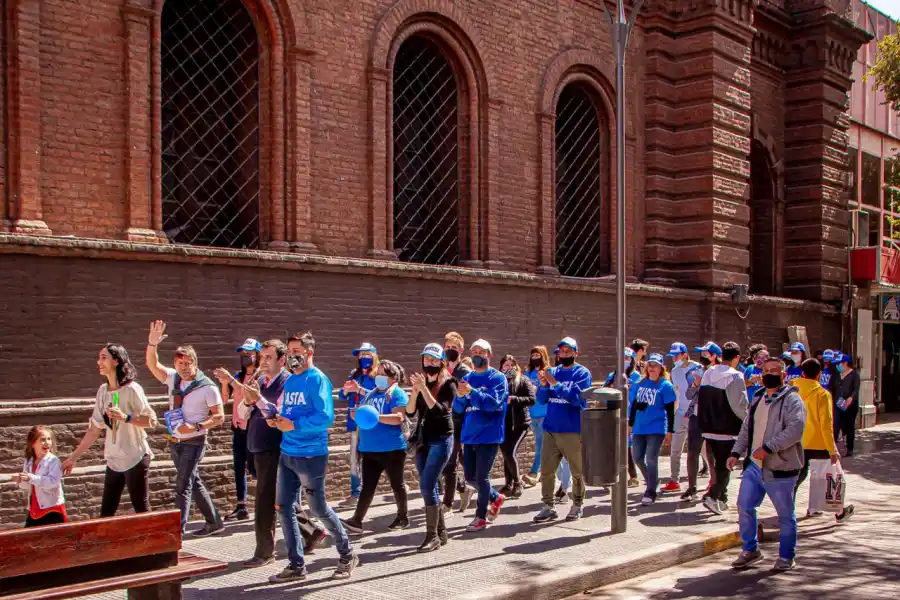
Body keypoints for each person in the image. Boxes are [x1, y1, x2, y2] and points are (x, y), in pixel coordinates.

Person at [268, 332, 358, 582]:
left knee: (318, 508)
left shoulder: (317, 380)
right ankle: (296, 565)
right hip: (287, 453)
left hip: (311, 455)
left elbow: (325, 418)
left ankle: (347, 554)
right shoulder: (290, 381)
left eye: (297, 351)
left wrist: (293, 426)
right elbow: (288, 411)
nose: (291, 356)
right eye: (289, 351)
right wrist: (277, 419)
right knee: (284, 508)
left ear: (309, 352)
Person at [226, 339, 312, 568]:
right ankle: (312, 533)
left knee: (264, 501)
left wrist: (258, 399)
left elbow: (279, 415)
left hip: (277, 447)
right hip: (256, 444)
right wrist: (247, 399)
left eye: (268, 357)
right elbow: (244, 414)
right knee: (279, 499)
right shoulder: (260, 381)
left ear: (282, 360)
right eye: (261, 357)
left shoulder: (288, 383)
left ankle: (264, 552)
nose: (261, 361)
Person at [146, 321, 225, 536]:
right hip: (175, 440)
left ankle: (177, 532)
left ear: (195, 363)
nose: (183, 366)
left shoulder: (207, 387)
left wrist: (197, 426)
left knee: (183, 485)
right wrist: (152, 345)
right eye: (179, 362)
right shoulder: (173, 378)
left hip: (195, 441)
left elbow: (219, 417)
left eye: (188, 362)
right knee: (193, 479)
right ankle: (214, 522)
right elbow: (153, 366)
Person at [728, 356, 806, 571]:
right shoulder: (758, 398)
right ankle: (750, 549)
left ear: (783, 374)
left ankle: (786, 556)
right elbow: (747, 428)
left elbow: (795, 430)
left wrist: (769, 447)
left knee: (785, 516)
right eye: (765, 370)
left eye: (774, 370)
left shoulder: (792, 400)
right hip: (754, 467)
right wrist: (736, 452)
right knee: (744, 506)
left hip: (779, 467)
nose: (769, 374)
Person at [64, 344, 156, 517]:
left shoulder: (132, 389)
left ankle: (155, 543)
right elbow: (94, 430)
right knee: (106, 512)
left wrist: (126, 417)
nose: (99, 362)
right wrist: (73, 458)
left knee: (141, 510)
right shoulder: (103, 391)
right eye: (99, 358)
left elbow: (151, 420)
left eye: (104, 357)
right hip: (114, 459)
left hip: (135, 457)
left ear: (116, 360)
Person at [340, 360, 410, 534]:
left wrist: (376, 417)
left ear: (393, 378)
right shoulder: (371, 394)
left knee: (397, 484)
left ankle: (403, 517)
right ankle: (357, 521)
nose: (378, 377)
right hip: (369, 448)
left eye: (382, 374)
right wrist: (357, 413)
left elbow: (398, 418)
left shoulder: (397, 394)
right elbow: (364, 411)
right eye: (377, 373)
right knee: (367, 487)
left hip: (392, 449)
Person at [533, 337, 592, 523]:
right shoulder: (553, 371)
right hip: (551, 428)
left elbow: (578, 399)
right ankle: (548, 506)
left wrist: (555, 384)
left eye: (568, 351)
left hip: (572, 429)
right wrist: (544, 386)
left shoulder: (582, 373)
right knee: (547, 471)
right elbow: (542, 399)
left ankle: (577, 504)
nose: (564, 354)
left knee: (577, 470)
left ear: (576, 352)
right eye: (561, 351)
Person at [453, 339, 508, 532]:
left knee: (482, 476)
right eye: (474, 351)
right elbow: (459, 408)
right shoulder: (467, 378)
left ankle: (480, 516)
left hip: (489, 434)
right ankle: (495, 497)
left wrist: (472, 392)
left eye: (481, 351)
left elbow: (493, 403)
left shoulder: (498, 378)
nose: (477, 354)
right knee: (469, 477)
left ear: (489, 355)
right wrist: (460, 397)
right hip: (470, 435)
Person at [792, 358, 855, 522]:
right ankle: (839, 511)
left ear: (803, 373)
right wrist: (832, 449)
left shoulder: (792, 391)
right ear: (819, 374)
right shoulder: (822, 394)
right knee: (831, 476)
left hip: (797, 442)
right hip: (819, 443)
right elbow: (826, 425)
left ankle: (793, 508)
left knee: (797, 476)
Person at [407, 343, 455, 552]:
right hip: (423, 440)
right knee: (430, 485)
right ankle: (442, 533)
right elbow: (410, 412)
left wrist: (425, 389)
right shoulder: (422, 382)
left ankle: (432, 536)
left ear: (441, 362)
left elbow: (440, 411)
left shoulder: (449, 384)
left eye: (434, 360)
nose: (430, 364)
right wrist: (414, 391)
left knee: (427, 485)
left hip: (442, 439)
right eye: (427, 360)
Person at [697, 341, 748, 516]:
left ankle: (721, 499)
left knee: (717, 464)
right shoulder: (736, 376)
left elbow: (701, 399)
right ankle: (712, 495)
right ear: (737, 358)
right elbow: (739, 405)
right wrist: (748, 421)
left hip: (709, 427)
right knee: (726, 465)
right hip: (728, 428)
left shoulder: (709, 372)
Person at [217, 338, 261, 523]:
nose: (246, 357)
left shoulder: (260, 376)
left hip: (253, 427)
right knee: (238, 468)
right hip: (238, 427)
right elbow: (226, 398)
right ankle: (241, 506)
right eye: (243, 353)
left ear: (258, 354)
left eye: (249, 353)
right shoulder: (237, 375)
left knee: (255, 468)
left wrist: (231, 380)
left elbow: (248, 393)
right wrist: (224, 382)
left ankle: (267, 502)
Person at [629, 353, 676, 505]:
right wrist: (630, 424)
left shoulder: (665, 386)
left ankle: (650, 491)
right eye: (650, 365)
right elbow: (635, 405)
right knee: (637, 457)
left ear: (661, 368)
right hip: (639, 427)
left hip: (656, 427)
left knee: (651, 458)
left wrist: (670, 431)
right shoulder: (641, 382)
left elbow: (670, 410)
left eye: (655, 365)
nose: (651, 368)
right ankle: (652, 480)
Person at [337, 343, 379, 508]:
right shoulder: (354, 374)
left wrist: (359, 389)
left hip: (371, 424)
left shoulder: (377, 376)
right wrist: (346, 391)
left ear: (374, 356)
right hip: (354, 422)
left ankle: (369, 492)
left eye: (366, 355)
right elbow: (342, 395)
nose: (363, 358)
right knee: (354, 460)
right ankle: (355, 494)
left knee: (373, 460)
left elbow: (378, 397)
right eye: (360, 355)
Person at [498, 355, 535, 499]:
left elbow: (532, 399)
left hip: (520, 423)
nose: (508, 368)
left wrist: (514, 400)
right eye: (505, 365)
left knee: (509, 451)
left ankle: (518, 483)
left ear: (515, 366)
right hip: (504, 423)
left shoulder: (523, 380)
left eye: (510, 365)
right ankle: (508, 484)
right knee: (505, 452)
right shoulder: (499, 381)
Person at [665, 343, 701, 492]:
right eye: (672, 356)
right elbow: (677, 393)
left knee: (702, 450)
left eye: (677, 355)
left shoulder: (698, 368)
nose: (674, 358)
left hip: (697, 414)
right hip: (681, 413)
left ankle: (709, 479)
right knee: (675, 449)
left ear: (685, 354)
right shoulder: (674, 371)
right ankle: (674, 480)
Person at [443, 331, 472, 512]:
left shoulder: (465, 372)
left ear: (461, 349)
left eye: (454, 347)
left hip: (459, 422)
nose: (450, 350)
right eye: (447, 347)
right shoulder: (442, 369)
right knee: (448, 461)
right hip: (442, 421)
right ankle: (464, 487)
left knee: (450, 461)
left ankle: (447, 504)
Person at [17, 425, 67, 527]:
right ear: (33, 443)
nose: (47, 442)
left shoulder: (53, 461)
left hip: (52, 509)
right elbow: (27, 486)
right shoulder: (29, 461)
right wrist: (21, 480)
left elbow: (53, 482)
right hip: (35, 507)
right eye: (42, 440)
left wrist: (30, 478)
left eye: (49, 439)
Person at [522, 345, 550, 488]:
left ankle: (534, 473)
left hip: (545, 413)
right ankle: (545, 472)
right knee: (541, 444)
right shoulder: (528, 373)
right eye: (533, 356)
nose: (535, 358)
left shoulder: (548, 372)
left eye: (538, 355)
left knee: (540, 444)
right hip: (533, 414)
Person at [680, 363, 706, 502]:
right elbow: (688, 395)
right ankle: (692, 488)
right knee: (692, 453)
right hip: (696, 418)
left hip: (711, 419)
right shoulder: (695, 381)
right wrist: (696, 384)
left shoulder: (713, 377)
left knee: (711, 455)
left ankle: (716, 490)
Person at [834, 353, 862, 457]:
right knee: (836, 424)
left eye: (839, 364)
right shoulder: (837, 375)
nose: (837, 366)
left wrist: (851, 398)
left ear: (845, 363)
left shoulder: (854, 375)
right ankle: (834, 448)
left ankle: (849, 447)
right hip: (838, 404)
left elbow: (856, 389)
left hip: (850, 405)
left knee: (849, 426)